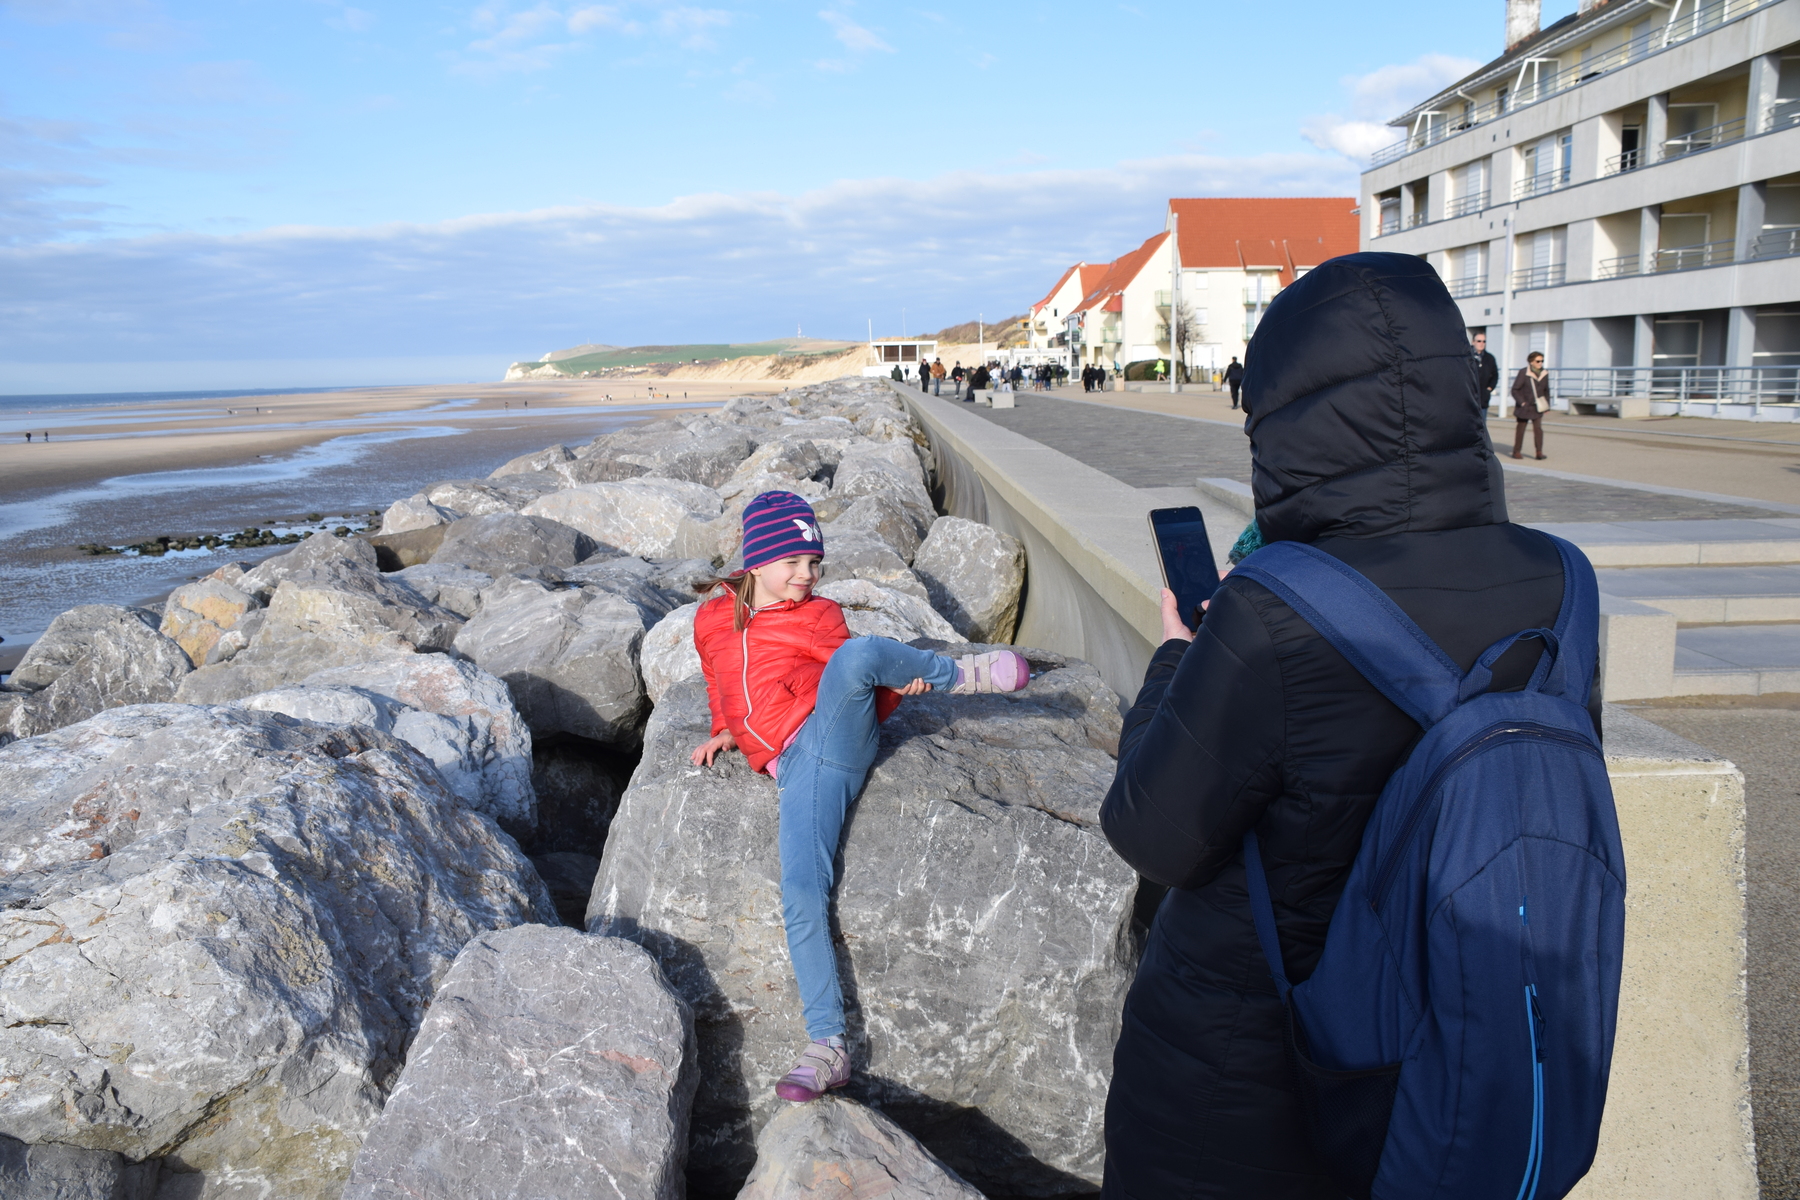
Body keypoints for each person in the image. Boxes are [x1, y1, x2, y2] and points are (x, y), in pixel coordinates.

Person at [1098, 252, 1597, 1198]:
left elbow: (1151, 832)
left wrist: (1175, 659)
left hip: (1249, 1078)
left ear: (1284, 416)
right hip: (1459, 1046)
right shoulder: (1564, 580)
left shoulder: (1273, 608)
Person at [690, 491, 1032, 1103]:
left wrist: (901, 685)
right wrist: (724, 727)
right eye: (794, 562)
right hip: (792, 770)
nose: (807, 575)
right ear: (756, 561)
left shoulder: (818, 615)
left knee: (860, 651)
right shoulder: (712, 618)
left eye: (814, 563)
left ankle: (965, 674)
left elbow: (857, 680)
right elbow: (718, 676)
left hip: (831, 741)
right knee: (800, 890)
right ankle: (828, 1048)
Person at [1511, 350, 1550, 460]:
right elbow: (1515, 390)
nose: (1540, 363)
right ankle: (1516, 451)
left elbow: (1546, 390)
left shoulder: (1544, 373)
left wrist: (1547, 405)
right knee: (1521, 430)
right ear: (1531, 362)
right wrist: (1522, 402)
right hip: (1525, 407)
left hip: (1537, 407)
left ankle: (1539, 452)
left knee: (1538, 429)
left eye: (1542, 361)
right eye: (1538, 361)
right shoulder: (1524, 373)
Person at [1473, 331, 1499, 410]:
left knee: (1482, 417)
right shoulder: (1467, 357)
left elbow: (1495, 375)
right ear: (1473, 342)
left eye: (1484, 341)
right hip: (1469, 398)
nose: (1482, 343)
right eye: (1479, 341)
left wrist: (1489, 388)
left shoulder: (1489, 358)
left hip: (1483, 399)